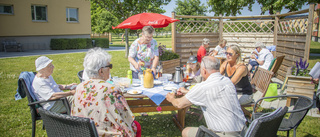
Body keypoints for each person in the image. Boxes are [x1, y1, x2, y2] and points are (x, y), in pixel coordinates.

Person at [166, 56, 246, 137]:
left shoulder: (203, 87)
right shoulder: (227, 81)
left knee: (185, 131)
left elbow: (179, 104)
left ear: (204, 71)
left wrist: (171, 99)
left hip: (222, 134)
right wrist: (186, 92)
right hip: (243, 131)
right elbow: (211, 94)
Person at [72, 47, 140, 137]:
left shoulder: (80, 87)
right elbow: (125, 117)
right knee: (136, 126)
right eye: (109, 66)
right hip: (105, 133)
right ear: (101, 71)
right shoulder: (111, 90)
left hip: (82, 132)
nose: (110, 69)